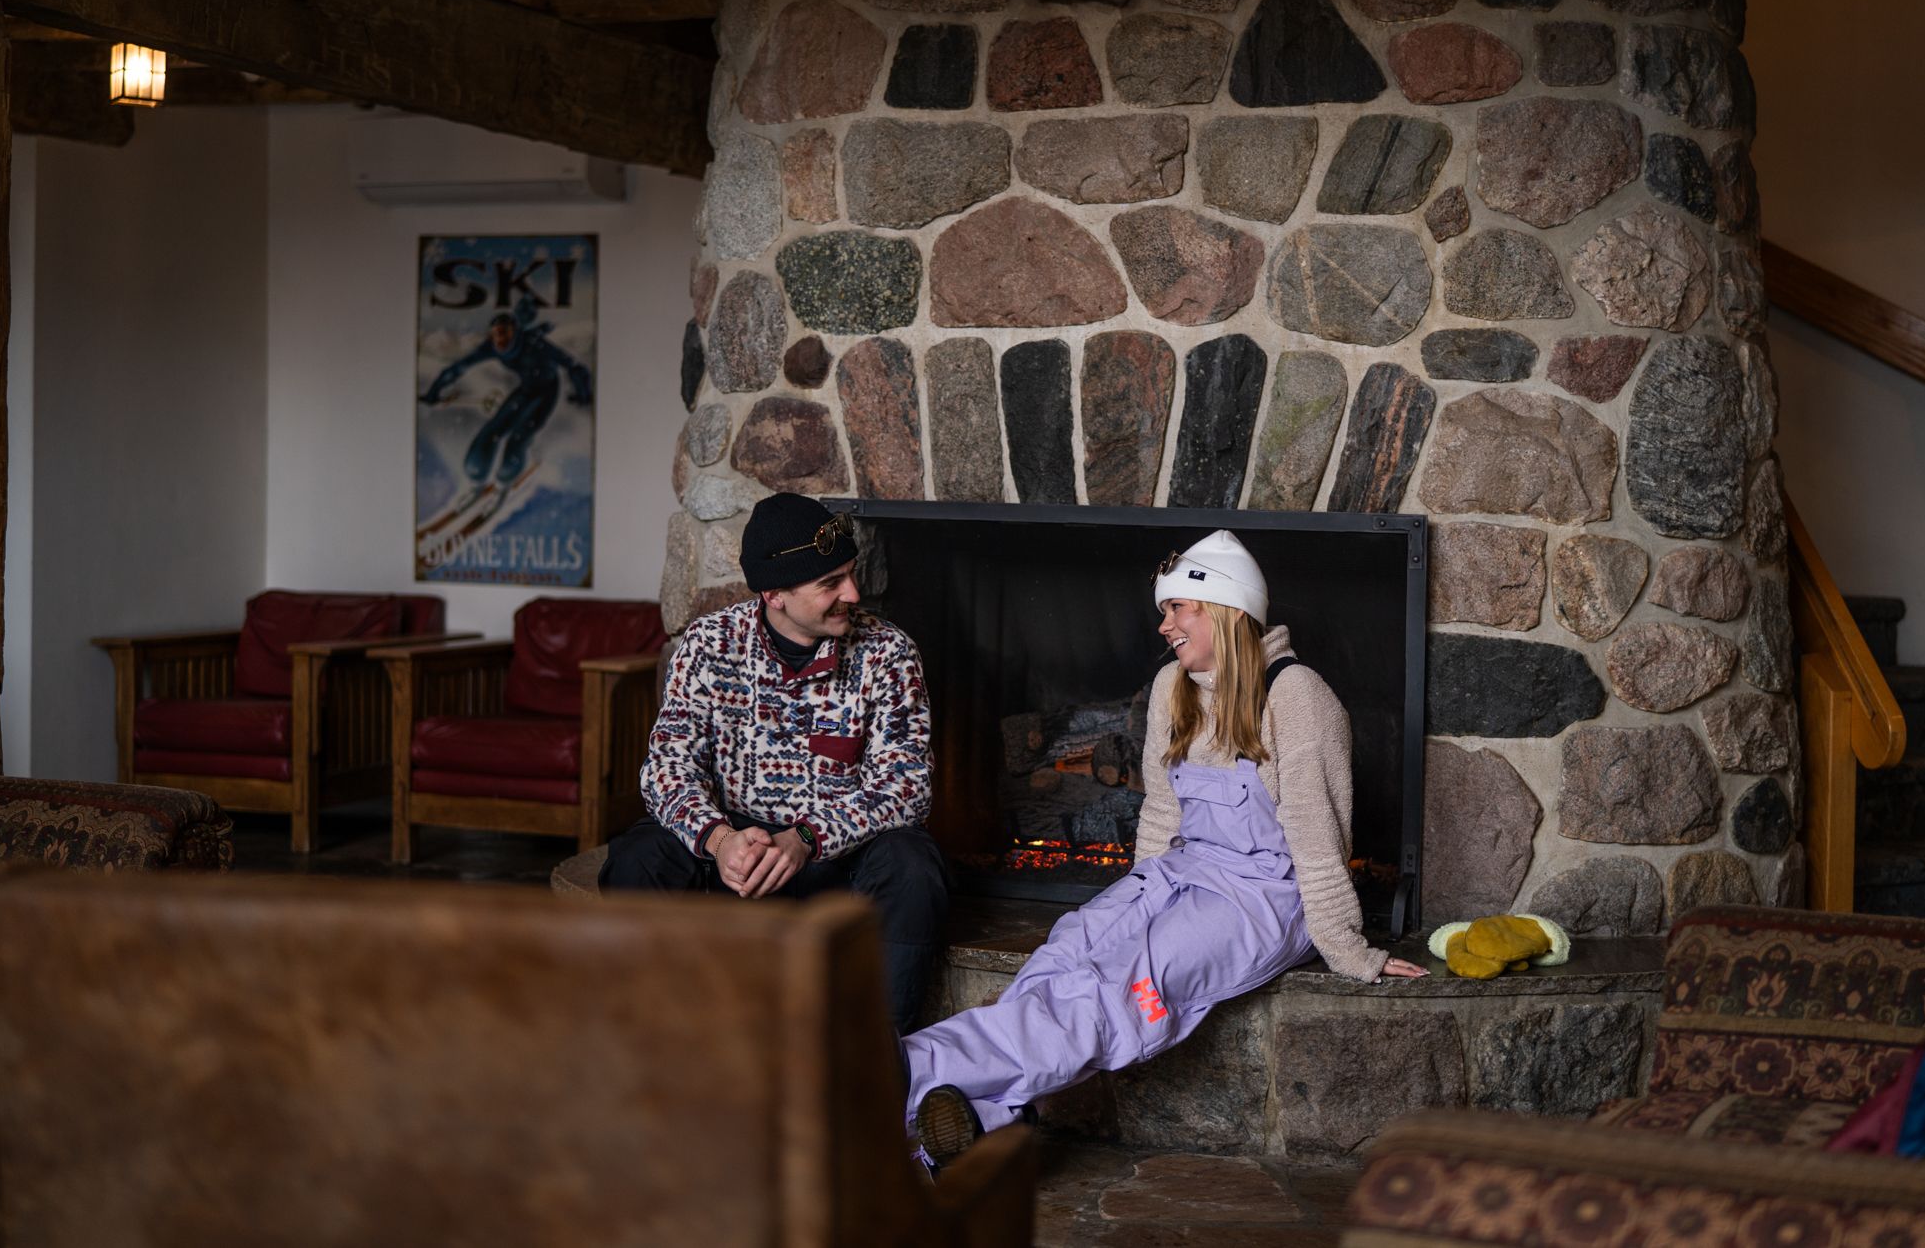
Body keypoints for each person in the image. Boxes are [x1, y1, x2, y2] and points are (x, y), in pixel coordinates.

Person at [900, 529, 1425, 1166]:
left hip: (1264, 898)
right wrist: (1135, 906)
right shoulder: (1172, 687)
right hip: (1181, 874)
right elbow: (1161, 812)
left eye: (1177, 608)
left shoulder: (1296, 695)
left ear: (1225, 609)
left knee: (1109, 995)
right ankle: (985, 1125)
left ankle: (899, 1074)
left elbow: (1318, 839)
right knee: (1067, 950)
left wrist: (1348, 948)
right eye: (1164, 612)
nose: (1164, 626)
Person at [601, 493, 949, 1029]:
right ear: (774, 594)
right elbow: (666, 768)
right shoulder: (708, 645)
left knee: (913, 868)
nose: (853, 593)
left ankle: (880, 1066)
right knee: (637, 859)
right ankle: (651, 1047)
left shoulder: (888, 653)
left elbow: (909, 786)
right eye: (830, 584)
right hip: (733, 848)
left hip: (839, 854)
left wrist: (805, 839)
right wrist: (719, 842)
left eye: (850, 574)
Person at [419, 293, 593, 494]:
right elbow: (457, 368)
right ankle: (476, 475)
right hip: (526, 389)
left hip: (547, 391)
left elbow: (575, 367)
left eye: (505, 334)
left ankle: (506, 477)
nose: (500, 340)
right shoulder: (491, 346)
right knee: (493, 429)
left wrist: (584, 395)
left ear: (515, 332)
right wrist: (434, 392)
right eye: (497, 334)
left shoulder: (535, 344)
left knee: (520, 435)